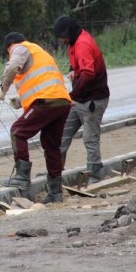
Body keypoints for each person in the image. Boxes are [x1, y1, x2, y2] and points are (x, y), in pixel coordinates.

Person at [0, 32, 72, 203]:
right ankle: (55, 193)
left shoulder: (19, 48)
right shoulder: (39, 52)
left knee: (17, 132)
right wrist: (22, 100)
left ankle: (22, 176)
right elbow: (42, 82)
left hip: (46, 102)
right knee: (52, 146)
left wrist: (3, 89)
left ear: (9, 46)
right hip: (61, 102)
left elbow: (12, 66)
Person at [53, 15, 110, 183]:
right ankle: (55, 173)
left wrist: (72, 95)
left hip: (93, 99)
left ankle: (94, 174)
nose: (62, 40)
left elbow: (88, 73)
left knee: (90, 138)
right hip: (80, 98)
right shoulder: (74, 42)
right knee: (61, 135)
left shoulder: (83, 43)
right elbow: (78, 63)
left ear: (69, 32)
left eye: (63, 36)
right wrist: (72, 69)